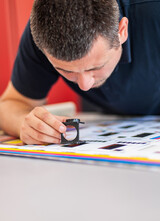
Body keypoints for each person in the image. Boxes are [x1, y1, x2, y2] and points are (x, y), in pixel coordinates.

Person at [0, 0, 160, 145]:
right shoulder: (43, 31)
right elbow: (11, 104)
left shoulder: (153, 12)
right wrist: (23, 123)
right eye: (66, 71)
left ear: (122, 31)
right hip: (109, 119)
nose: (85, 86)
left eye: (95, 68)